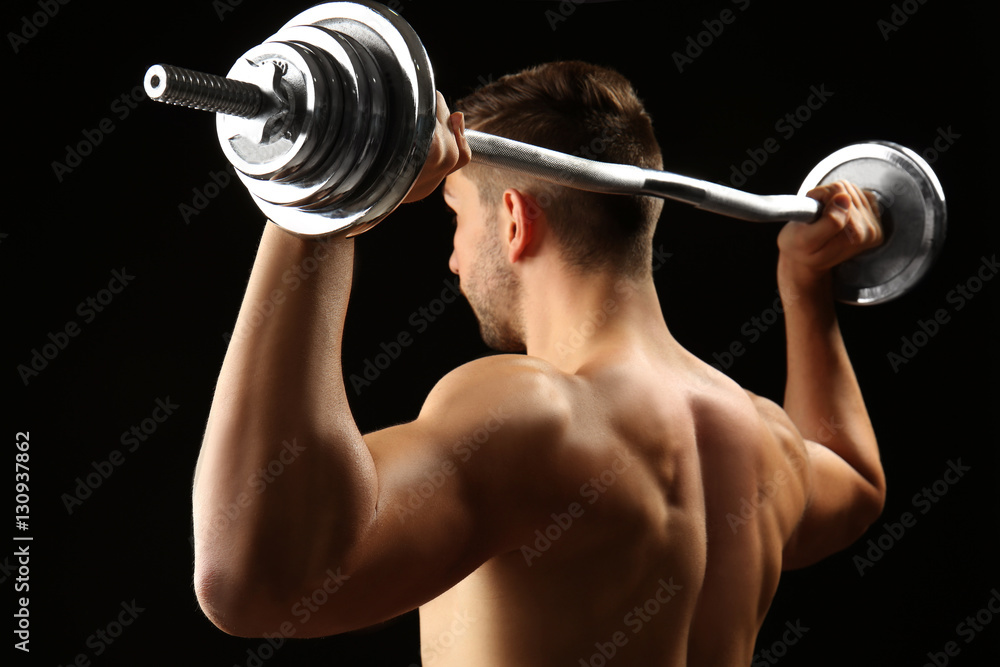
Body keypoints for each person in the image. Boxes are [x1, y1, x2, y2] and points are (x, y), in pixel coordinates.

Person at [191, 61, 886, 666]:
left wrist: (322, 199)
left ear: (515, 220)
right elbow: (856, 479)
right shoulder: (764, 437)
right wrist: (807, 290)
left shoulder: (532, 416)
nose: (454, 260)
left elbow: (253, 580)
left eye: (457, 217)